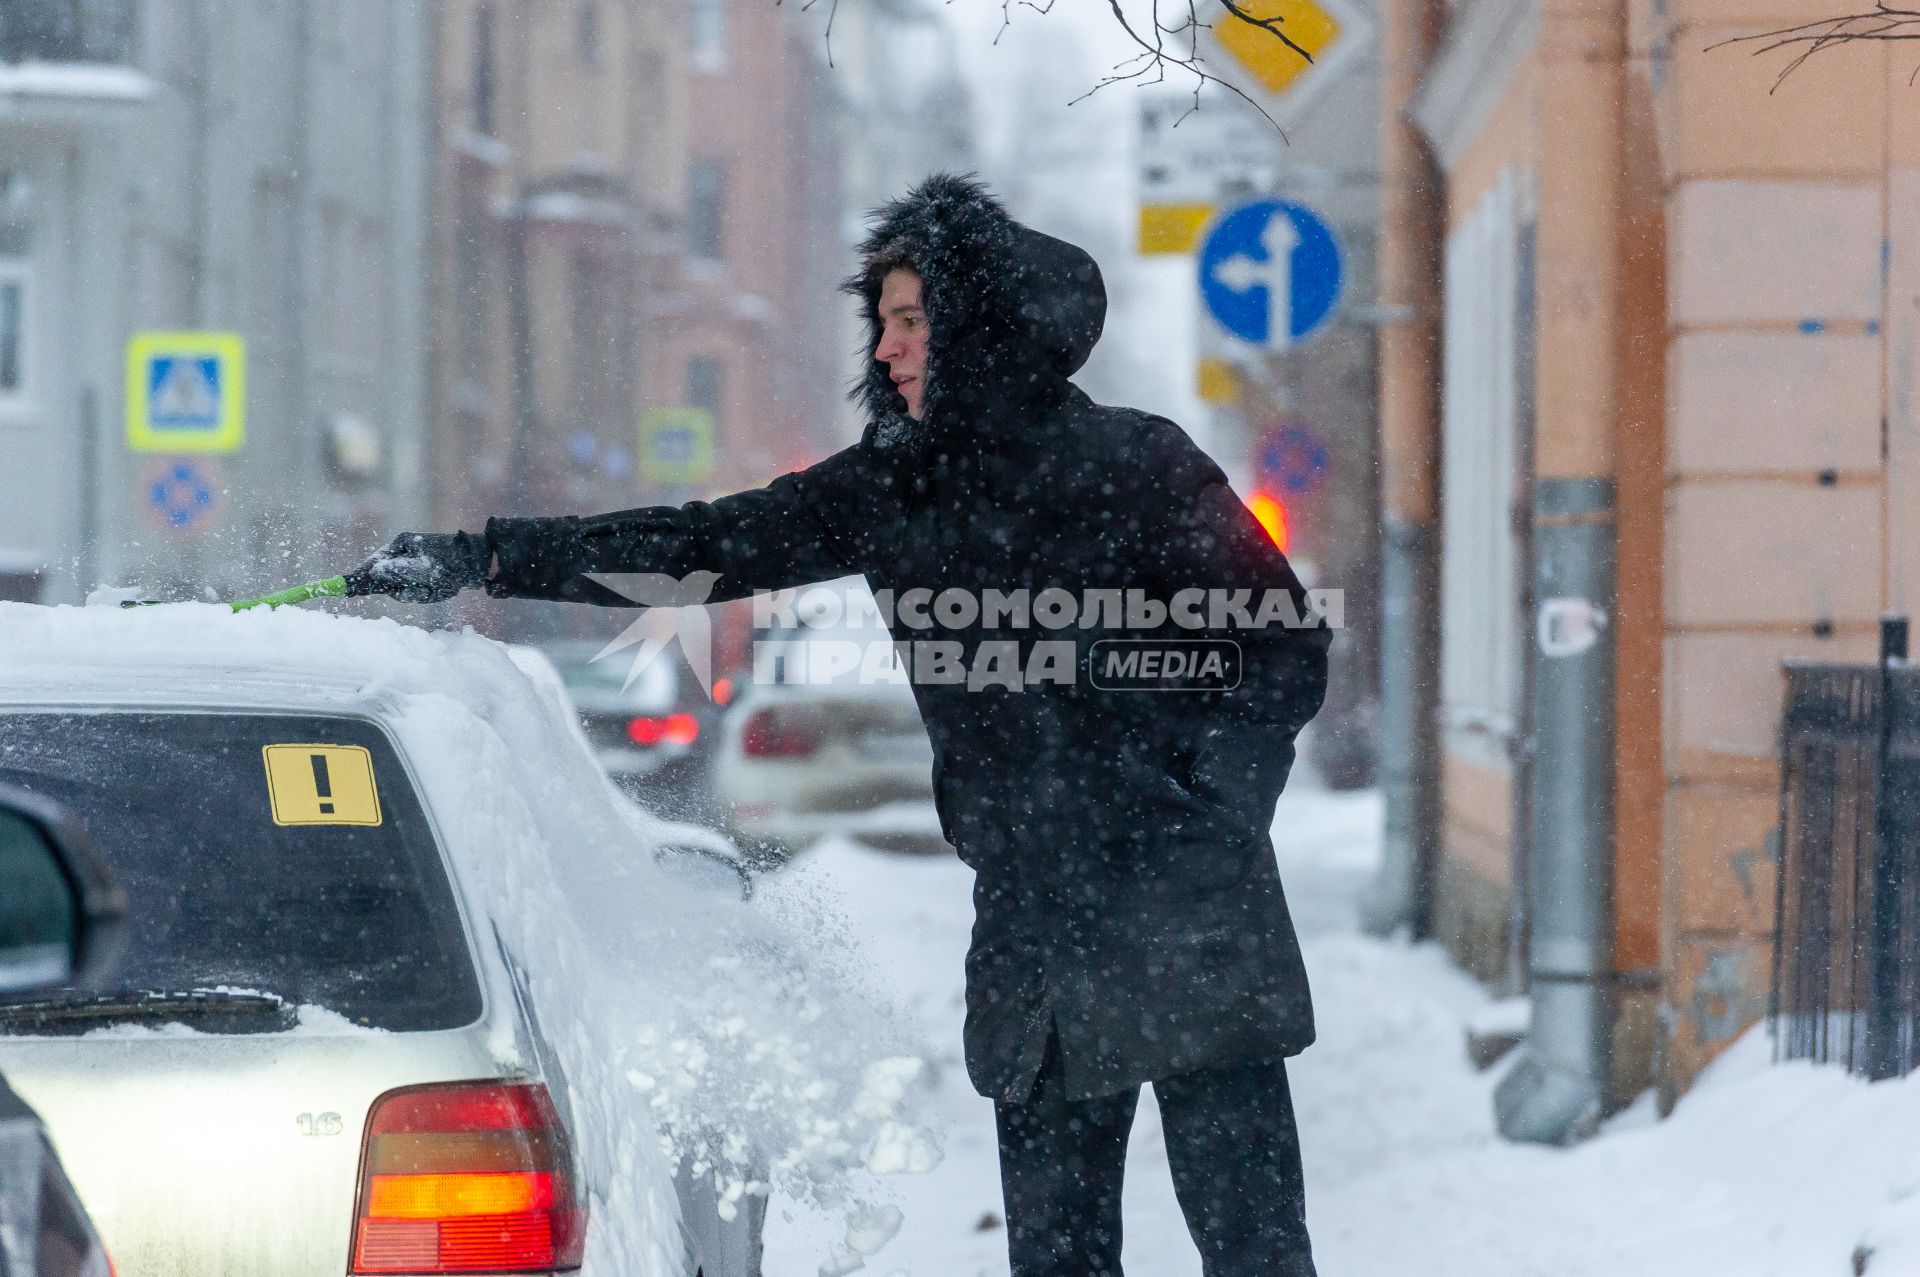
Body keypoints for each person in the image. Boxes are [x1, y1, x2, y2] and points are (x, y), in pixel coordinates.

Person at [357, 173, 1330, 1277]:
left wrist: (1214, 802)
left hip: (1191, 905)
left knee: (1254, 1247)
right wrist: (487, 554)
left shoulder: (1139, 463)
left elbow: (1281, 641)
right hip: (1035, 925)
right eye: (883, 319)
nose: (891, 344)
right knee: (1056, 1256)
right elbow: (700, 543)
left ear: (980, 329)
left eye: (915, 319)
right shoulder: (893, 489)